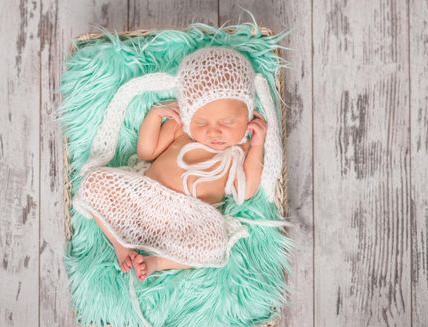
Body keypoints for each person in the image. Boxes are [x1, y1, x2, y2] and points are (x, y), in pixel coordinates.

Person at [73, 46, 283, 281]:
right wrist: (155, 117)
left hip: (189, 219)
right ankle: (120, 245)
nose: (214, 131)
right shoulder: (181, 130)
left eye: (227, 121)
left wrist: (257, 146)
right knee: (93, 183)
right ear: (188, 115)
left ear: (247, 117)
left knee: (216, 243)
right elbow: (146, 152)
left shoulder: (239, 150)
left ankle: (157, 263)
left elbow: (246, 190)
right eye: (201, 122)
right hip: (145, 198)